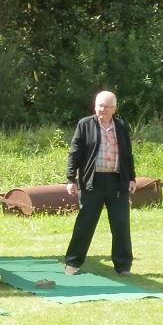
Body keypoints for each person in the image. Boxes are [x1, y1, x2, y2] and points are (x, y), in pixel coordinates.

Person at [64, 90, 137, 276]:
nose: (102, 109)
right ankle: (72, 263)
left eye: (106, 106)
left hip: (117, 182)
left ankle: (123, 266)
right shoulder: (85, 124)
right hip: (92, 182)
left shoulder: (121, 126)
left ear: (114, 108)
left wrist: (131, 178)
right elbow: (74, 152)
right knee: (85, 224)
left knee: (121, 224)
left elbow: (127, 154)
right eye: (99, 106)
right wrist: (71, 179)